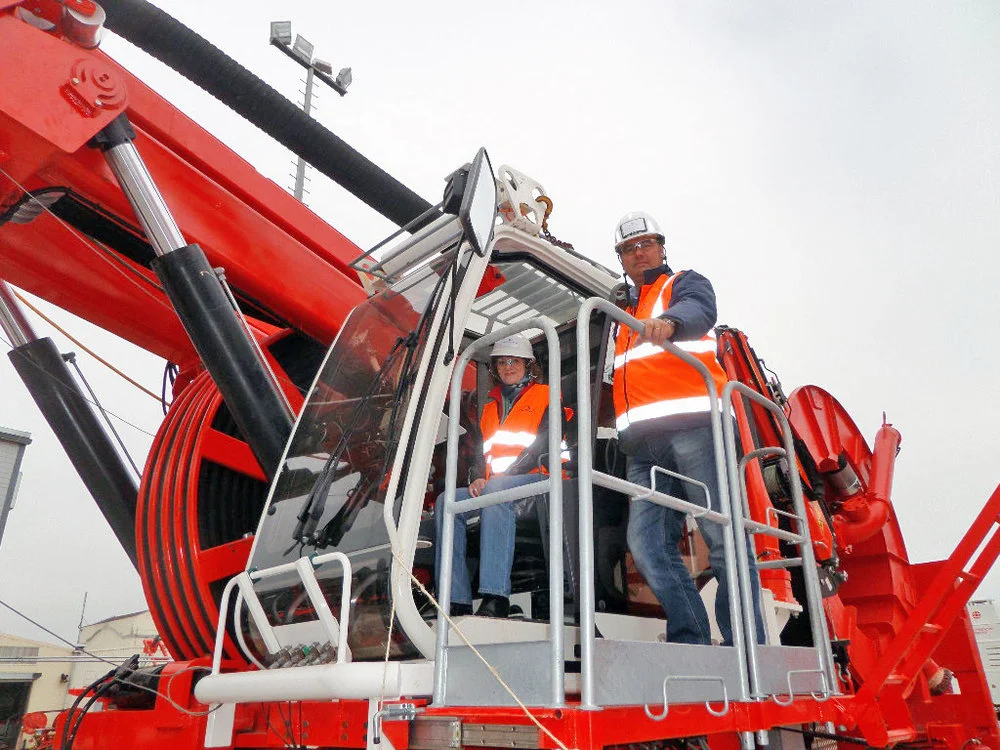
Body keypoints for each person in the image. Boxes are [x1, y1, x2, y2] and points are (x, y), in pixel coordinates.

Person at [610, 211, 765, 646]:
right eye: (628, 248)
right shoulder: (622, 310)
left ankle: (744, 643)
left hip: (696, 428)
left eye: (646, 243)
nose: (638, 252)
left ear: (661, 247)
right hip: (644, 446)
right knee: (646, 546)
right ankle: (692, 633)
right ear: (620, 259)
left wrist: (672, 323)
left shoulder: (682, 283)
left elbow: (698, 310)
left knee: (721, 535)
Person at [436, 334, 567, 619]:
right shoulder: (489, 407)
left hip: (541, 478)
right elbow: (480, 453)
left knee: (496, 490)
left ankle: (496, 596)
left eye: (514, 361)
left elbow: (542, 445)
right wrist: (476, 477)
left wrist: (498, 478)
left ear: (529, 365)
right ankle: (455, 598)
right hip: (501, 483)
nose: (508, 367)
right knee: (446, 502)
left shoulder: (546, 394)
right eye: (502, 363)